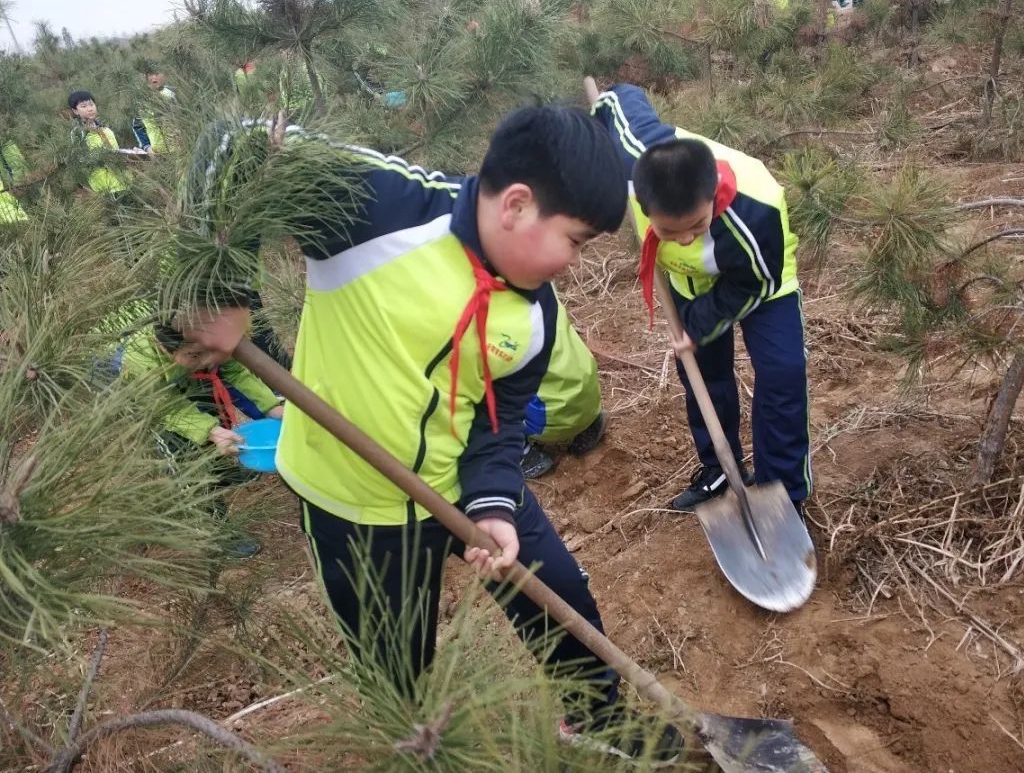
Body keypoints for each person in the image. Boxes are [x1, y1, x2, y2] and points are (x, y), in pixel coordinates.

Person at [178, 107, 684, 763]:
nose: (575, 262)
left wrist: (496, 504)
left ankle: (595, 716)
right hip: (352, 504)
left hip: (456, 484)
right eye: (577, 240)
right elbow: (242, 136)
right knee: (398, 662)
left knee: (560, 596)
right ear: (517, 205)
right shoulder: (381, 211)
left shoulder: (533, 314)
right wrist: (218, 286)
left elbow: (499, 424)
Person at [592, 83, 811, 516]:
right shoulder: (637, 158)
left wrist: (696, 325)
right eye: (670, 231)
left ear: (712, 197)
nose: (686, 237)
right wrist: (599, 113)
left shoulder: (756, 209)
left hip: (760, 278)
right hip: (690, 280)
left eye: (695, 224)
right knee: (703, 375)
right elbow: (621, 100)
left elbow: (751, 285)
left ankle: (783, 493)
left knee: (782, 373)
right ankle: (719, 469)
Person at [111, 299, 284, 559]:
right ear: (163, 347)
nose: (208, 360)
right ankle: (218, 533)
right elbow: (169, 409)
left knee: (210, 414)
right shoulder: (140, 363)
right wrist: (211, 432)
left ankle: (223, 471)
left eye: (210, 351)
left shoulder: (205, 340)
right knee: (186, 461)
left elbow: (235, 372)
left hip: (184, 379)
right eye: (194, 355)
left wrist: (272, 407)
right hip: (148, 402)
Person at [521, 298, 607, 479]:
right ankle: (589, 424)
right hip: (589, 397)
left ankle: (524, 454)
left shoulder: (478, 313)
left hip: (550, 421)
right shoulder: (541, 280)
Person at [68, 90, 130, 195]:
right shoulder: (78, 132)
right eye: (84, 106)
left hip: (122, 178)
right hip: (104, 183)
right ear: (75, 111)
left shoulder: (106, 127)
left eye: (91, 104)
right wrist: (101, 156)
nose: (90, 108)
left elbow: (116, 148)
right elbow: (80, 158)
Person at [132, 67, 177, 154]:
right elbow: (138, 127)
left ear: (163, 75)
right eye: (150, 74)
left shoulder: (174, 94)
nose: (154, 78)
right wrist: (147, 147)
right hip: (157, 154)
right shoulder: (140, 101)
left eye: (156, 73)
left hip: (179, 152)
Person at [0, 139, 30, 224]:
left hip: (24, 186)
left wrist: (18, 184)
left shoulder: (6, 145)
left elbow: (18, 165)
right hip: (15, 191)